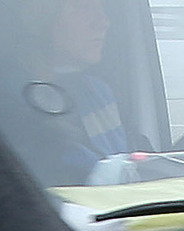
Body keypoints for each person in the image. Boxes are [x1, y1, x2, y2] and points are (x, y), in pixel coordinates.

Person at [15, 0, 128, 183]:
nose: (103, 22)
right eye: (83, 6)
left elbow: (131, 166)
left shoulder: (98, 92)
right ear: (42, 16)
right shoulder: (7, 106)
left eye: (102, 7)